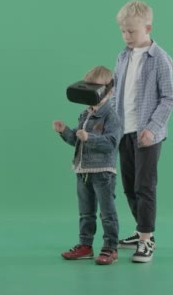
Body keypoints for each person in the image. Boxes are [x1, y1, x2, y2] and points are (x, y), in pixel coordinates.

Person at [113, 0, 173, 263]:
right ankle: (142, 231)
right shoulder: (122, 56)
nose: (127, 36)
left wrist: (151, 128)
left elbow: (168, 98)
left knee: (144, 186)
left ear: (147, 27)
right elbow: (118, 92)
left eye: (132, 31)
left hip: (146, 135)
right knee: (129, 186)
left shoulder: (160, 58)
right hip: (122, 131)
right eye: (123, 31)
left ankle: (146, 240)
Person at [53, 66, 122, 265]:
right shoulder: (85, 115)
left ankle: (110, 248)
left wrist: (89, 138)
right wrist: (65, 131)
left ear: (109, 91)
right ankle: (85, 245)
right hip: (82, 171)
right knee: (85, 211)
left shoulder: (111, 116)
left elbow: (111, 143)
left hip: (102, 173)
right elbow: (76, 140)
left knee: (107, 213)